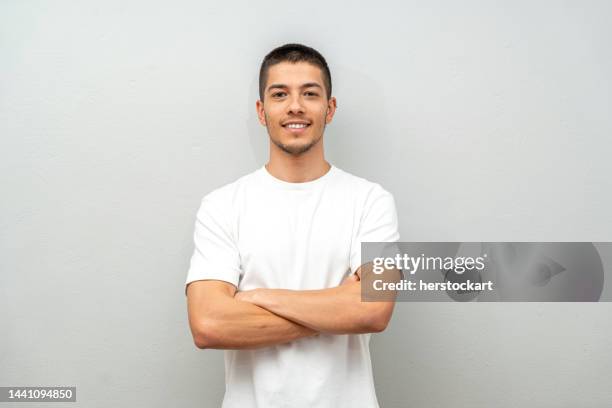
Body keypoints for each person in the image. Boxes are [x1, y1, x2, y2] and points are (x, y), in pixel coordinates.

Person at [185, 43, 400, 408]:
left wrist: (259, 299)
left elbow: (376, 308)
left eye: (310, 94)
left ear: (329, 109)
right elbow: (208, 324)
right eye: (280, 94)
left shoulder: (373, 201)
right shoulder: (221, 205)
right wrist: (338, 308)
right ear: (261, 110)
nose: (295, 106)